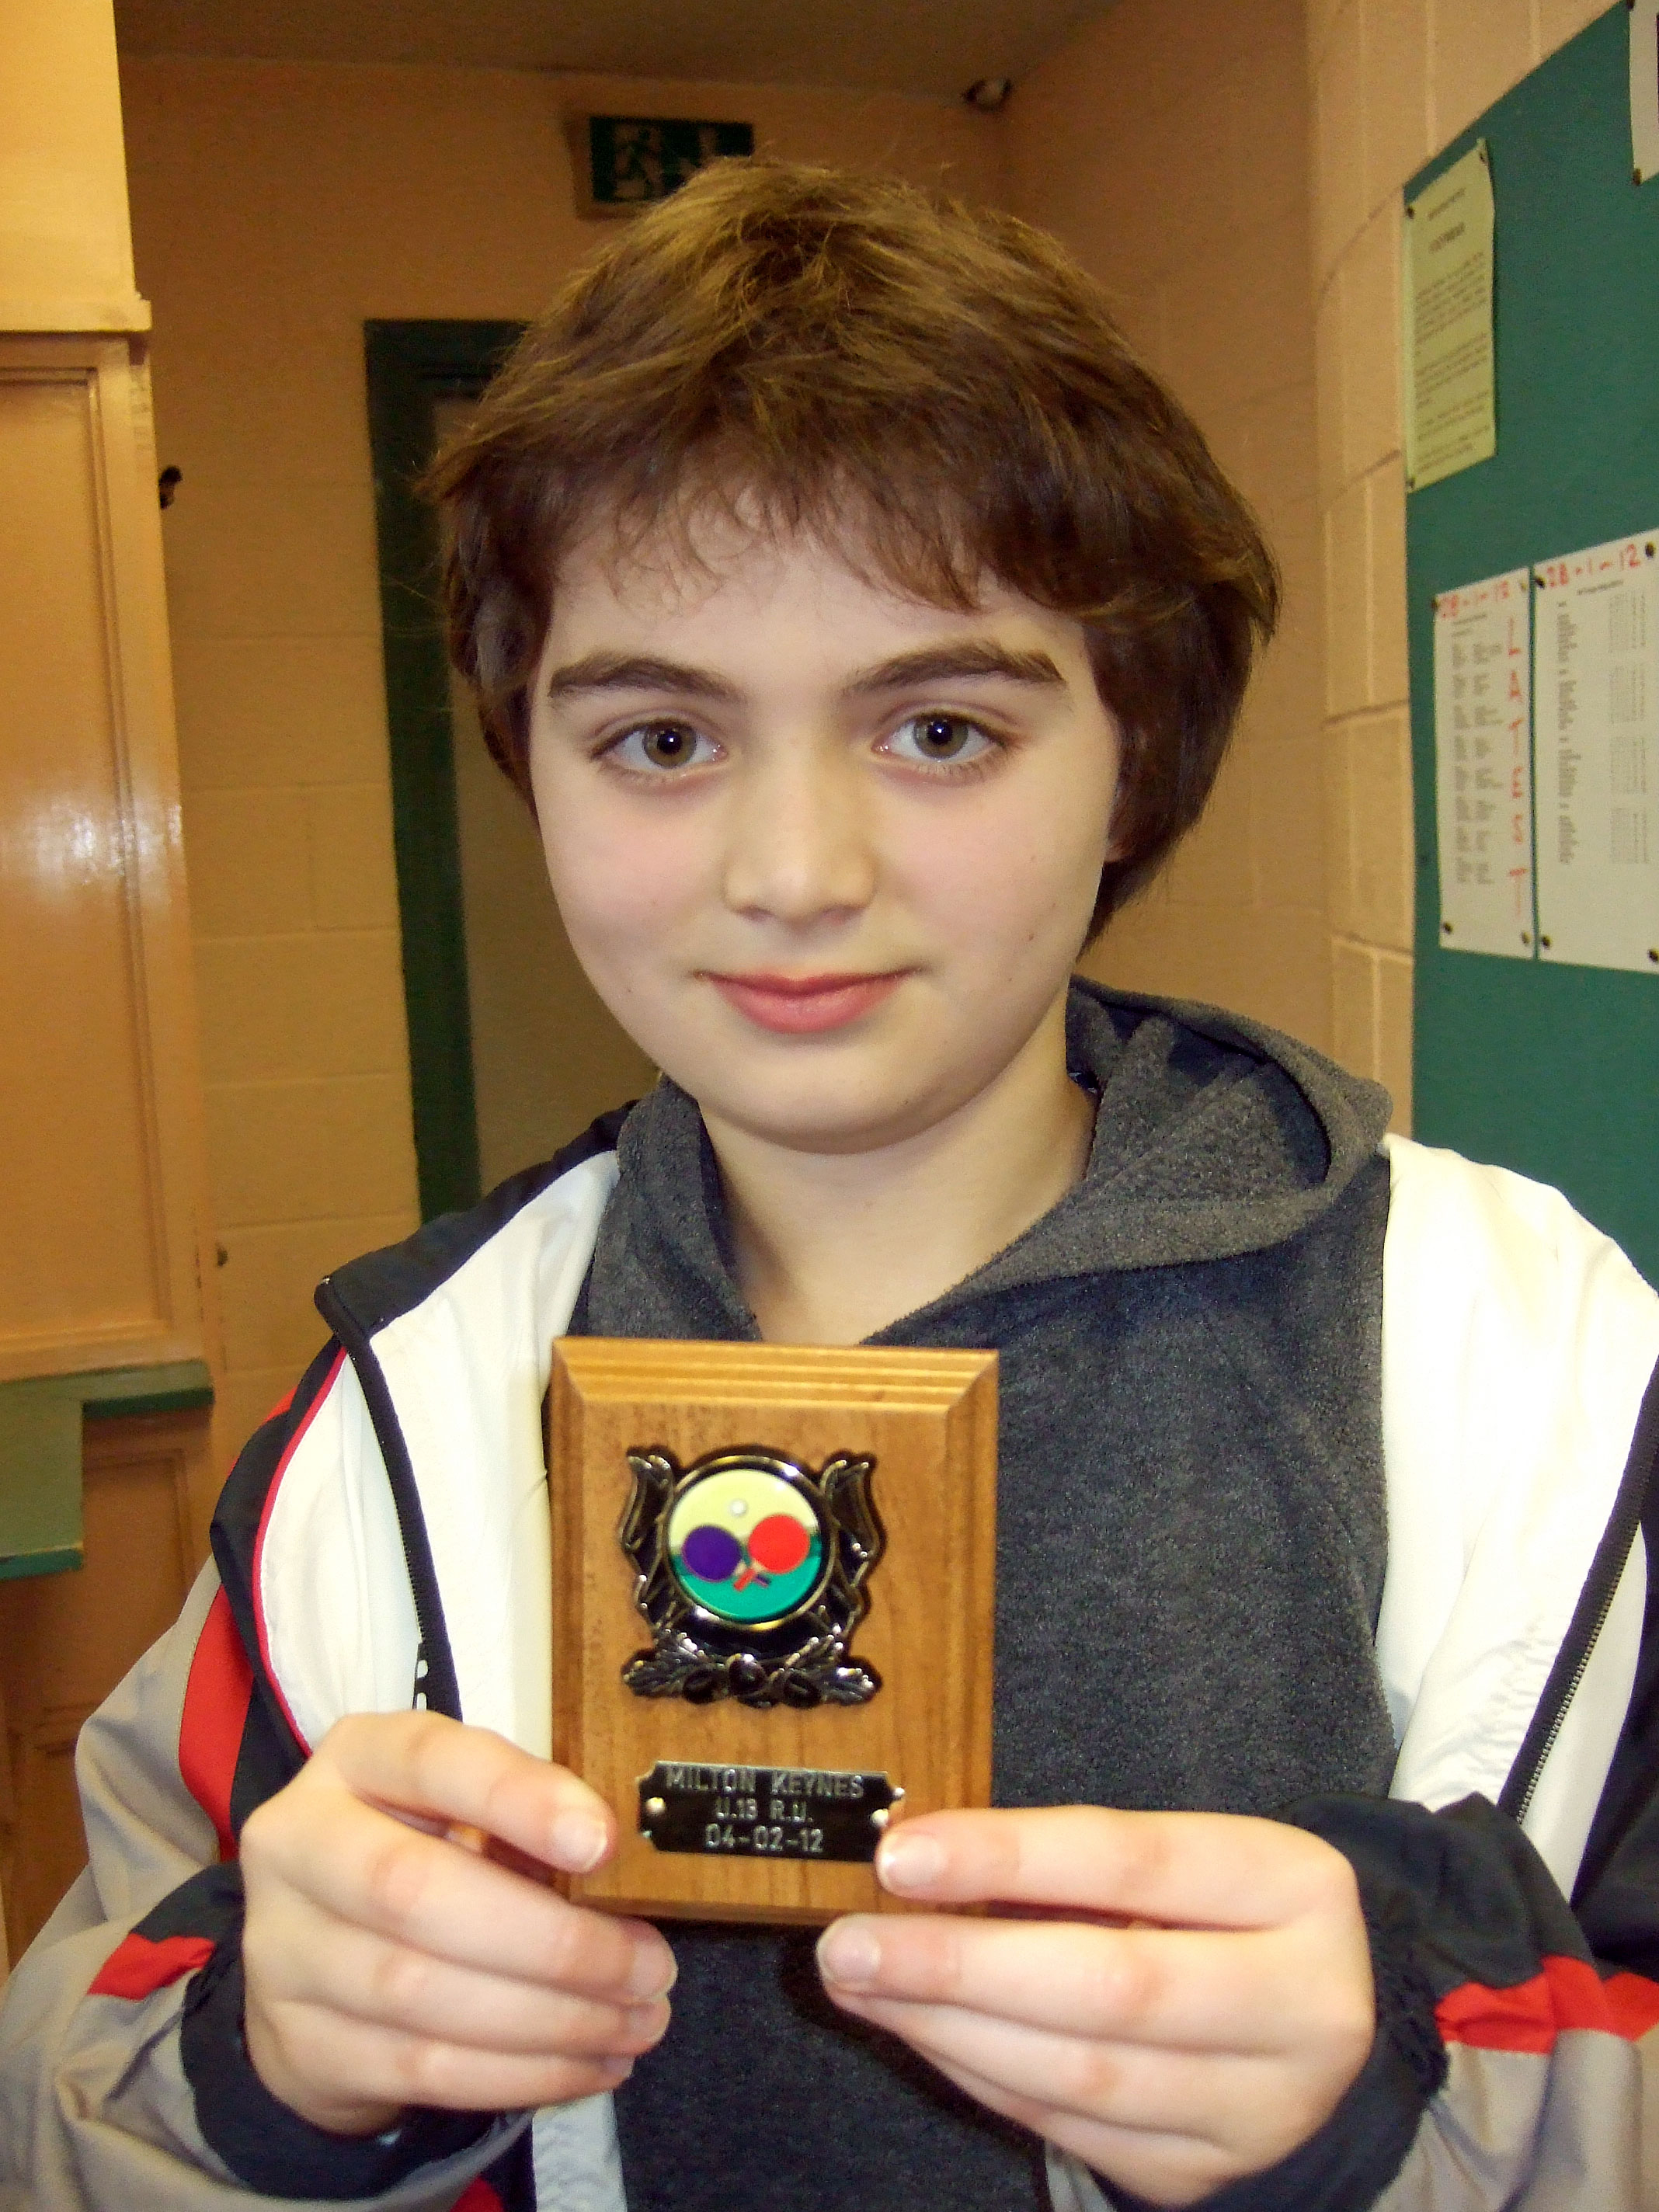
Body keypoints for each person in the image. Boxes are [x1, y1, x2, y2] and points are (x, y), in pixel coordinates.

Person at [3, 159, 1658, 2212]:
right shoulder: (390, 1425)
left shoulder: (1533, 1374)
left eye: (938, 729)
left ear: (1133, 756)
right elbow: (75, 2075)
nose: (794, 874)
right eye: (662, 741)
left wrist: (1427, 2091)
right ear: (534, 763)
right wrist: (267, 2066)